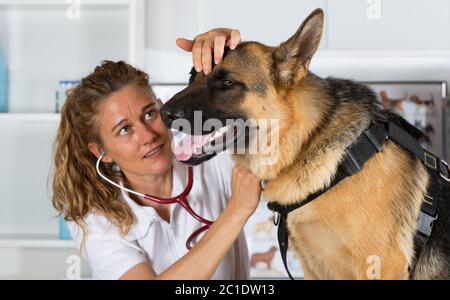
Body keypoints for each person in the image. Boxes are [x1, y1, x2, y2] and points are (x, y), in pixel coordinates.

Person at [51, 28, 263, 280]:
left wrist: (231, 54)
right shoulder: (94, 219)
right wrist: (236, 212)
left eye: (150, 114)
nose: (148, 135)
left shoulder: (212, 151)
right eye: (125, 130)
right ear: (102, 152)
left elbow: (279, 112)